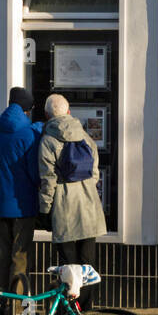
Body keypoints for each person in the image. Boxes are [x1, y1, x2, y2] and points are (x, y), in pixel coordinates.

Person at [0, 86, 44, 315]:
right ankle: (16, 309)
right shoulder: (29, 134)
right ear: (28, 110)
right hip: (21, 206)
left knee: (1, 257)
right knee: (19, 257)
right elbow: (33, 171)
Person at [37, 93, 105, 265]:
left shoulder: (47, 141)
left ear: (46, 115)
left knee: (68, 268)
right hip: (89, 207)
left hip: (63, 209)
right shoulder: (85, 138)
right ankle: (89, 293)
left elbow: (48, 180)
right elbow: (94, 174)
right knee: (87, 267)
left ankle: (70, 293)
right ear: (69, 111)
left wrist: (44, 210)